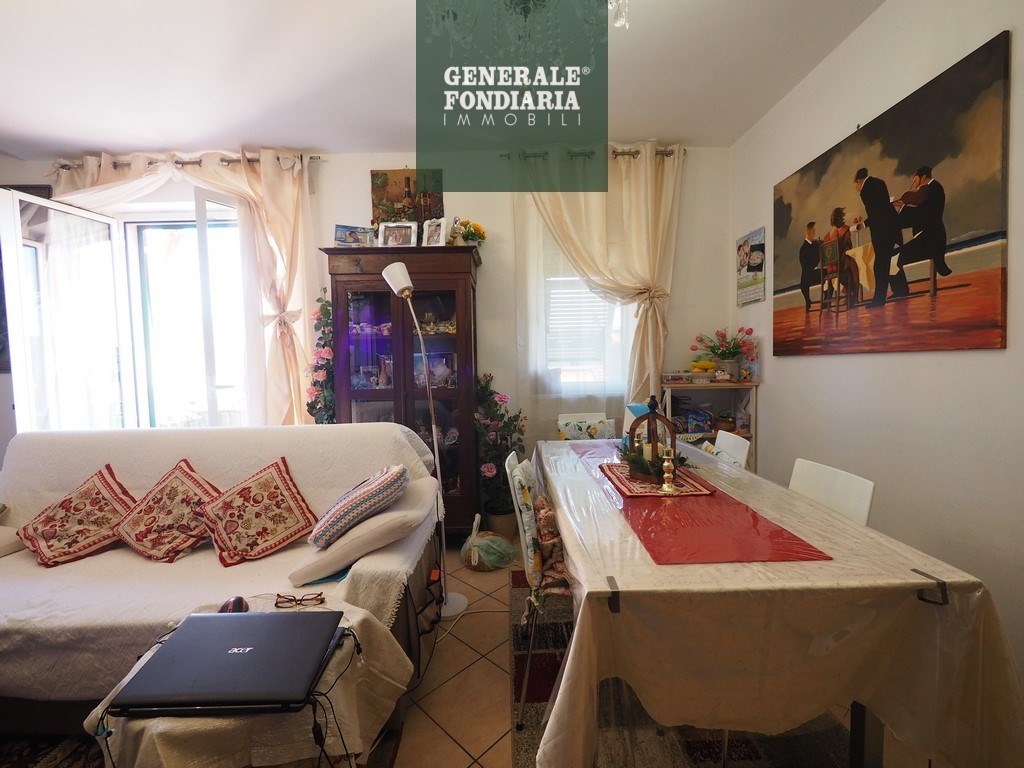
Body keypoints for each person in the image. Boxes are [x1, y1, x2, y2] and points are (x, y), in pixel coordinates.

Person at [854, 167, 908, 307]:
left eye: (856, 186)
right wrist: (866, 223)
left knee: (880, 266)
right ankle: (901, 289)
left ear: (858, 181)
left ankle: (879, 300)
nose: (857, 189)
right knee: (891, 258)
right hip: (892, 228)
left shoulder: (865, 191)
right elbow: (882, 208)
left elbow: (875, 213)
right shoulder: (879, 182)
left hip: (882, 232)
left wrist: (864, 224)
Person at [894, 165, 951, 276]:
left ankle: (900, 287)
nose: (915, 185)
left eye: (916, 180)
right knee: (893, 256)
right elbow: (917, 216)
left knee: (895, 257)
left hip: (931, 239)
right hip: (925, 238)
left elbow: (923, 215)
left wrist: (903, 207)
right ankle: (900, 286)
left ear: (923, 177)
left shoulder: (934, 189)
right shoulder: (927, 190)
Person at [821, 208, 861, 309]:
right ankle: (853, 295)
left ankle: (846, 296)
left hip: (831, 269)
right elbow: (849, 247)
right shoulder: (845, 230)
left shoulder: (826, 237)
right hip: (842, 266)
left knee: (849, 265)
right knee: (853, 265)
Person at [798, 221, 822, 311]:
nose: (814, 233)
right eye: (813, 231)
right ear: (808, 231)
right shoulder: (804, 248)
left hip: (815, 272)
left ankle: (826, 299)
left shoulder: (816, 244)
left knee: (829, 273)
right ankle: (808, 301)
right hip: (810, 274)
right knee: (804, 280)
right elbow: (805, 265)